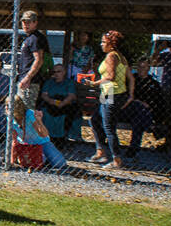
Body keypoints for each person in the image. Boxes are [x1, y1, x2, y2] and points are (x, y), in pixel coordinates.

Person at [88, 29, 142, 169]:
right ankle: (100, 151)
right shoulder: (121, 57)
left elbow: (110, 77)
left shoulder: (111, 56)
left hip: (112, 93)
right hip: (111, 92)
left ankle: (116, 159)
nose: (101, 44)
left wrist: (94, 83)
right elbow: (130, 78)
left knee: (108, 127)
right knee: (94, 120)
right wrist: (130, 94)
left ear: (111, 44)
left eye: (104, 42)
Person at [15, 10, 46, 108]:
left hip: (30, 83)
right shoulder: (29, 38)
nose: (25, 24)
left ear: (35, 23)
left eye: (28, 22)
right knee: (20, 110)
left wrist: (27, 78)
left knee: (27, 110)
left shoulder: (35, 38)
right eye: (24, 22)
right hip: (24, 79)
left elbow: (39, 60)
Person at [40, 63, 77, 143]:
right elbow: (44, 95)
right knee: (45, 112)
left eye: (58, 71)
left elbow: (71, 96)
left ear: (64, 72)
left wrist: (62, 103)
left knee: (68, 113)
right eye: (54, 72)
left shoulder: (69, 82)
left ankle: (61, 139)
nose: (56, 74)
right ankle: (48, 137)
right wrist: (50, 101)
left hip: (65, 103)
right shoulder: (49, 82)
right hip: (51, 103)